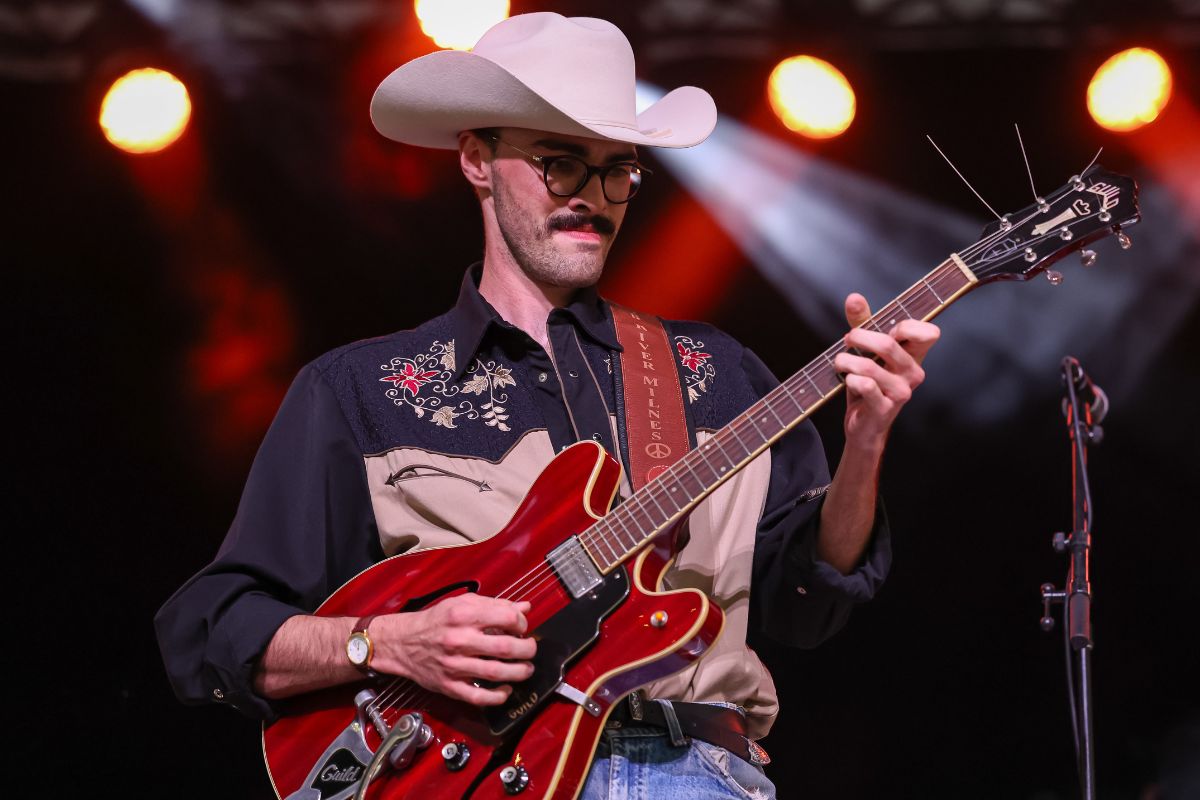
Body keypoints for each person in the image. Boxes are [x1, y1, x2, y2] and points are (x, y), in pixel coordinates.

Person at [155, 12, 939, 799]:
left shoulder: (717, 372)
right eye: (561, 165)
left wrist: (866, 443)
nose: (592, 199)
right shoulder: (361, 391)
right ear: (476, 159)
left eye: (617, 171)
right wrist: (391, 642)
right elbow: (214, 627)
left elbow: (805, 603)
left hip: (695, 770)